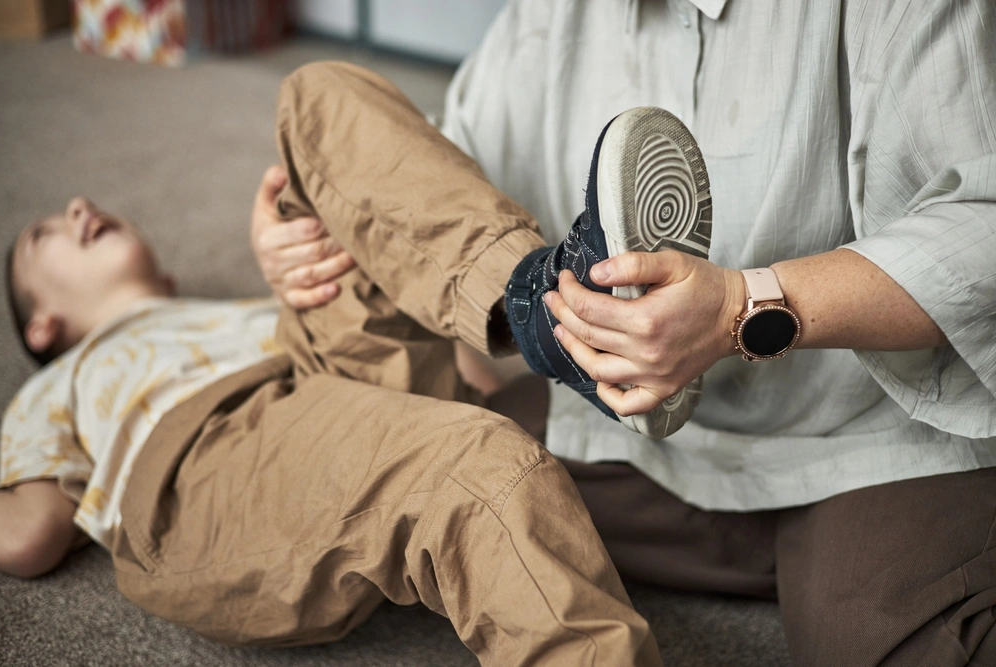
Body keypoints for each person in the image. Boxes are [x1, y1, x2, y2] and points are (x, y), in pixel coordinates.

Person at [256, 1, 996, 665]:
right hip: (634, 430)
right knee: (436, 478)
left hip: (873, 438)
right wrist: (306, 233)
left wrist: (742, 305)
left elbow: (982, 223)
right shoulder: (544, 17)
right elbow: (438, 193)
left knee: (868, 635)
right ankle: (534, 314)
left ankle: (863, 551)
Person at [0, 60, 731, 666]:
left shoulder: (224, 309)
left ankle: (540, 308)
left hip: (306, 375)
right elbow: (27, 533)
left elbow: (432, 355)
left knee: (316, 97)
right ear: (42, 323)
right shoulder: (58, 383)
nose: (78, 204)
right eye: (44, 235)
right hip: (209, 465)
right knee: (478, 466)